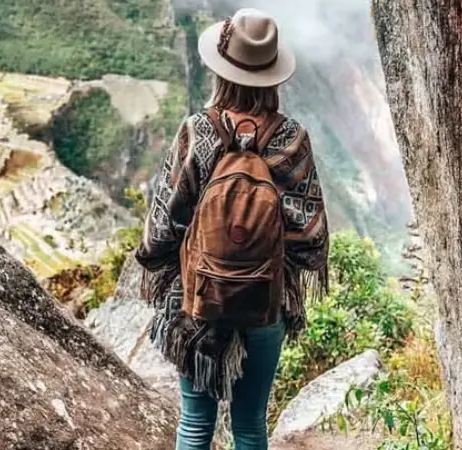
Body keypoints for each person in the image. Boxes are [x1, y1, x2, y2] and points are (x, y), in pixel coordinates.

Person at [135, 8, 329, 450]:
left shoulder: (196, 131)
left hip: (198, 302)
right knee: (249, 426)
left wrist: (176, 262)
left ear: (222, 70)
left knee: (195, 425)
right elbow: (312, 240)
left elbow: (163, 224)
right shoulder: (292, 139)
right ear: (273, 75)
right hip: (266, 302)